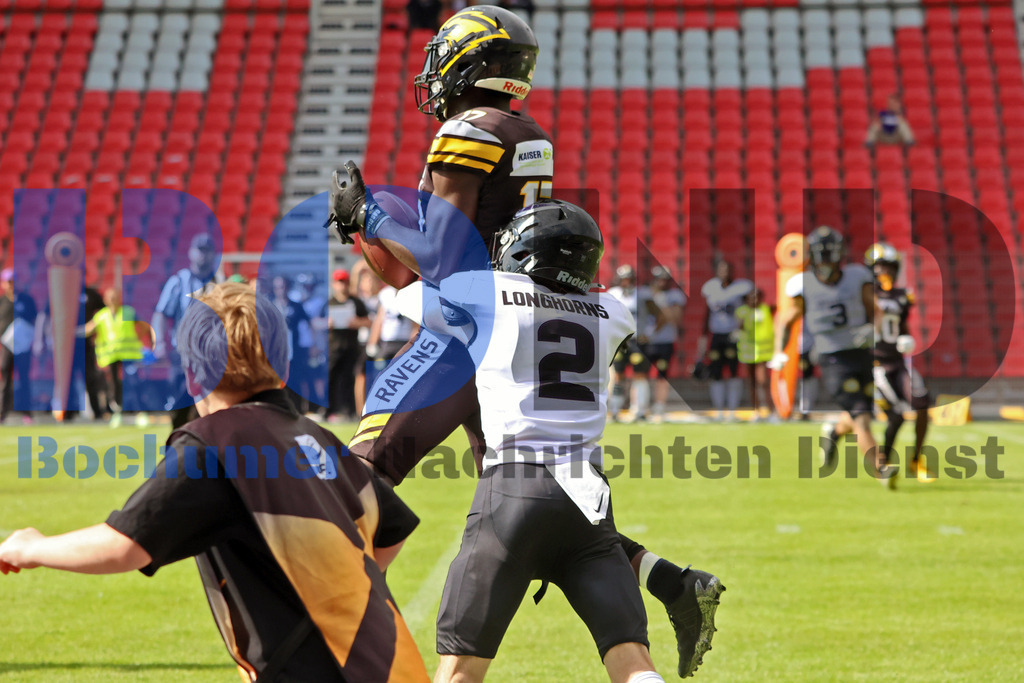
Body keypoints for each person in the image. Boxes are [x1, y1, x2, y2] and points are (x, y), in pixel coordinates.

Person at [325, 6, 720, 670]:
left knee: (361, 473)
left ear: (472, 63)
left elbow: (445, 257)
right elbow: (421, 255)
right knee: (535, 501)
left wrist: (370, 212)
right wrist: (374, 229)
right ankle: (668, 579)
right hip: (508, 330)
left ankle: (325, 627)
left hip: (465, 331)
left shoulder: (470, 126)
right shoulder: (524, 131)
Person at [0, 282, 428, 682]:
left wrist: (32, 546)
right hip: (392, 661)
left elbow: (125, 544)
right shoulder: (314, 435)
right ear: (282, 369)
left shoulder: (213, 446)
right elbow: (390, 530)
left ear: (192, 376)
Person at [397, 200, 723, 681]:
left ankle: (673, 583)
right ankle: (672, 582)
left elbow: (407, 295)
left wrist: (372, 220)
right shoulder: (612, 312)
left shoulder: (489, 291)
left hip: (512, 488)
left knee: (461, 669)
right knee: (633, 663)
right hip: (587, 500)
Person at [770, 226, 892, 487]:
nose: (826, 261)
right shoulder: (803, 284)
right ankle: (881, 469)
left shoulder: (857, 276)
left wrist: (873, 330)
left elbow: (876, 311)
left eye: (830, 254)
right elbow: (786, 318)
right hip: (831, 358)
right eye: (822, 255)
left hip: (860, 353)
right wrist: (779, 351)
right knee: (862, 418)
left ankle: (833, 432)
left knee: (859, 410)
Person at [865, 243, 934, 482]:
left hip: (899, 361)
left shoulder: (903, 296)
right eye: (879, 266)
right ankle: (884, 461)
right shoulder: (863, 295)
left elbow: (901, 324)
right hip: (876, 365)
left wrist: (907, 337)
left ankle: (916, 461)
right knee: (896, 415)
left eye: (888, 266)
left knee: (923, 405)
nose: (883, 271)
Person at [151, 233, 222, 428]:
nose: (203, 256)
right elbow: (161, 313)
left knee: (212, 404)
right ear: (191, 253)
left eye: (207, 251)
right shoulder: (180, 281)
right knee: (180, 400)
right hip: (184, 352)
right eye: (200, 251)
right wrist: (160, 342)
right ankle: (178, 441)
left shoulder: (220, 281)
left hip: (212, 353)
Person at [34, 283, 106, 420]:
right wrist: (41, 339)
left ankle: (97, 412)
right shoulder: (59, 290)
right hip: (65, 345)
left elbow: (104, 312)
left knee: (90, 377)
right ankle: (68, 412)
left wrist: (92, 327)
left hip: (85, 343)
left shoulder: (90, 293)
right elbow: (44, 315)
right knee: (68, 379)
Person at [84, 287, 153, 428]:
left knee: (133, 383)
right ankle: (117, 413)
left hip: (129, 354)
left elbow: (143, 326)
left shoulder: (127, 312)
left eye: (115, 297)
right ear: (105, 300)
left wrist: (140, 339)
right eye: (110, 297)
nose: (113, 300)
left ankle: (140, 413)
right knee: (114, 386)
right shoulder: (101, 316)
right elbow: (88, 330)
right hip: (112, 355)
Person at [698, 260, 753, 419]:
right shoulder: (711, 288)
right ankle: (719, 409)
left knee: (734, 371)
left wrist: (741, 328)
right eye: (722, 270)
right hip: (717, 334)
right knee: (716, 372)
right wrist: (703, 336)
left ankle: (732, 410)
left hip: (732, 334)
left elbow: (746, 307)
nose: (725, 273)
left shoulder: (741, 288)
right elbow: (707, 312)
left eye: (727, 269)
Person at [608, 265, 656, 422]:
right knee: (618, 376)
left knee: (640, 375)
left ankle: (640, 409)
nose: (626, 282)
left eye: (629, 278)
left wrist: (648, 333)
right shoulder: (612, 294)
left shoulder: (642, 294)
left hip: (636, 341)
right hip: (619, 341)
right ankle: (615, 409)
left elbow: (659, 315)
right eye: (624, 279)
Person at [326, 269, 370, 421]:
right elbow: (316, 323)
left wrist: (357, 323)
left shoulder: (356, 302)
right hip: (333, 347)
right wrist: (328, 323)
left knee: (349, 379)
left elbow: (369, 321)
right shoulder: (329, 302)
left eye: (344, 282)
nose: (342, 285)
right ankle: (330, 410)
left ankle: (349, 411)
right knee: (331, 378)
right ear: (334, 284)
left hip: (351, 347)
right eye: (339, 282)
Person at [646, 266, 686, 422]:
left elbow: (675, 319)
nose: (661, 282)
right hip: (648, 340)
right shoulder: (646, 293)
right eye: (659, 279)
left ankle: (660, 405)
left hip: (665, 341)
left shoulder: (674, 295)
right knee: (640, 375)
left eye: (664, 279)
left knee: (662, 375)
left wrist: (662, 305)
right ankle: (641, 406)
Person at [0, 267, 37, 423]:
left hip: (23, 346)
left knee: (24, 378)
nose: (11, 284)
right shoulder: (2, 302)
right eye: (8, 281)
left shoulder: (26, 300)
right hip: (7, 347)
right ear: (3, 284)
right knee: (5, 377)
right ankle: (2, 413)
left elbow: (34, 321)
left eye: (13, 281)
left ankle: (26, 412)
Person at [734, 286, 774, 419]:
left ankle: (770, 409)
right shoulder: (742, 311)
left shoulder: (765, 309)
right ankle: (756, 410)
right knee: (752, 382)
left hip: (762, 351)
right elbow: (740, 327)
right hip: (748, 350)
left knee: (763, 381)